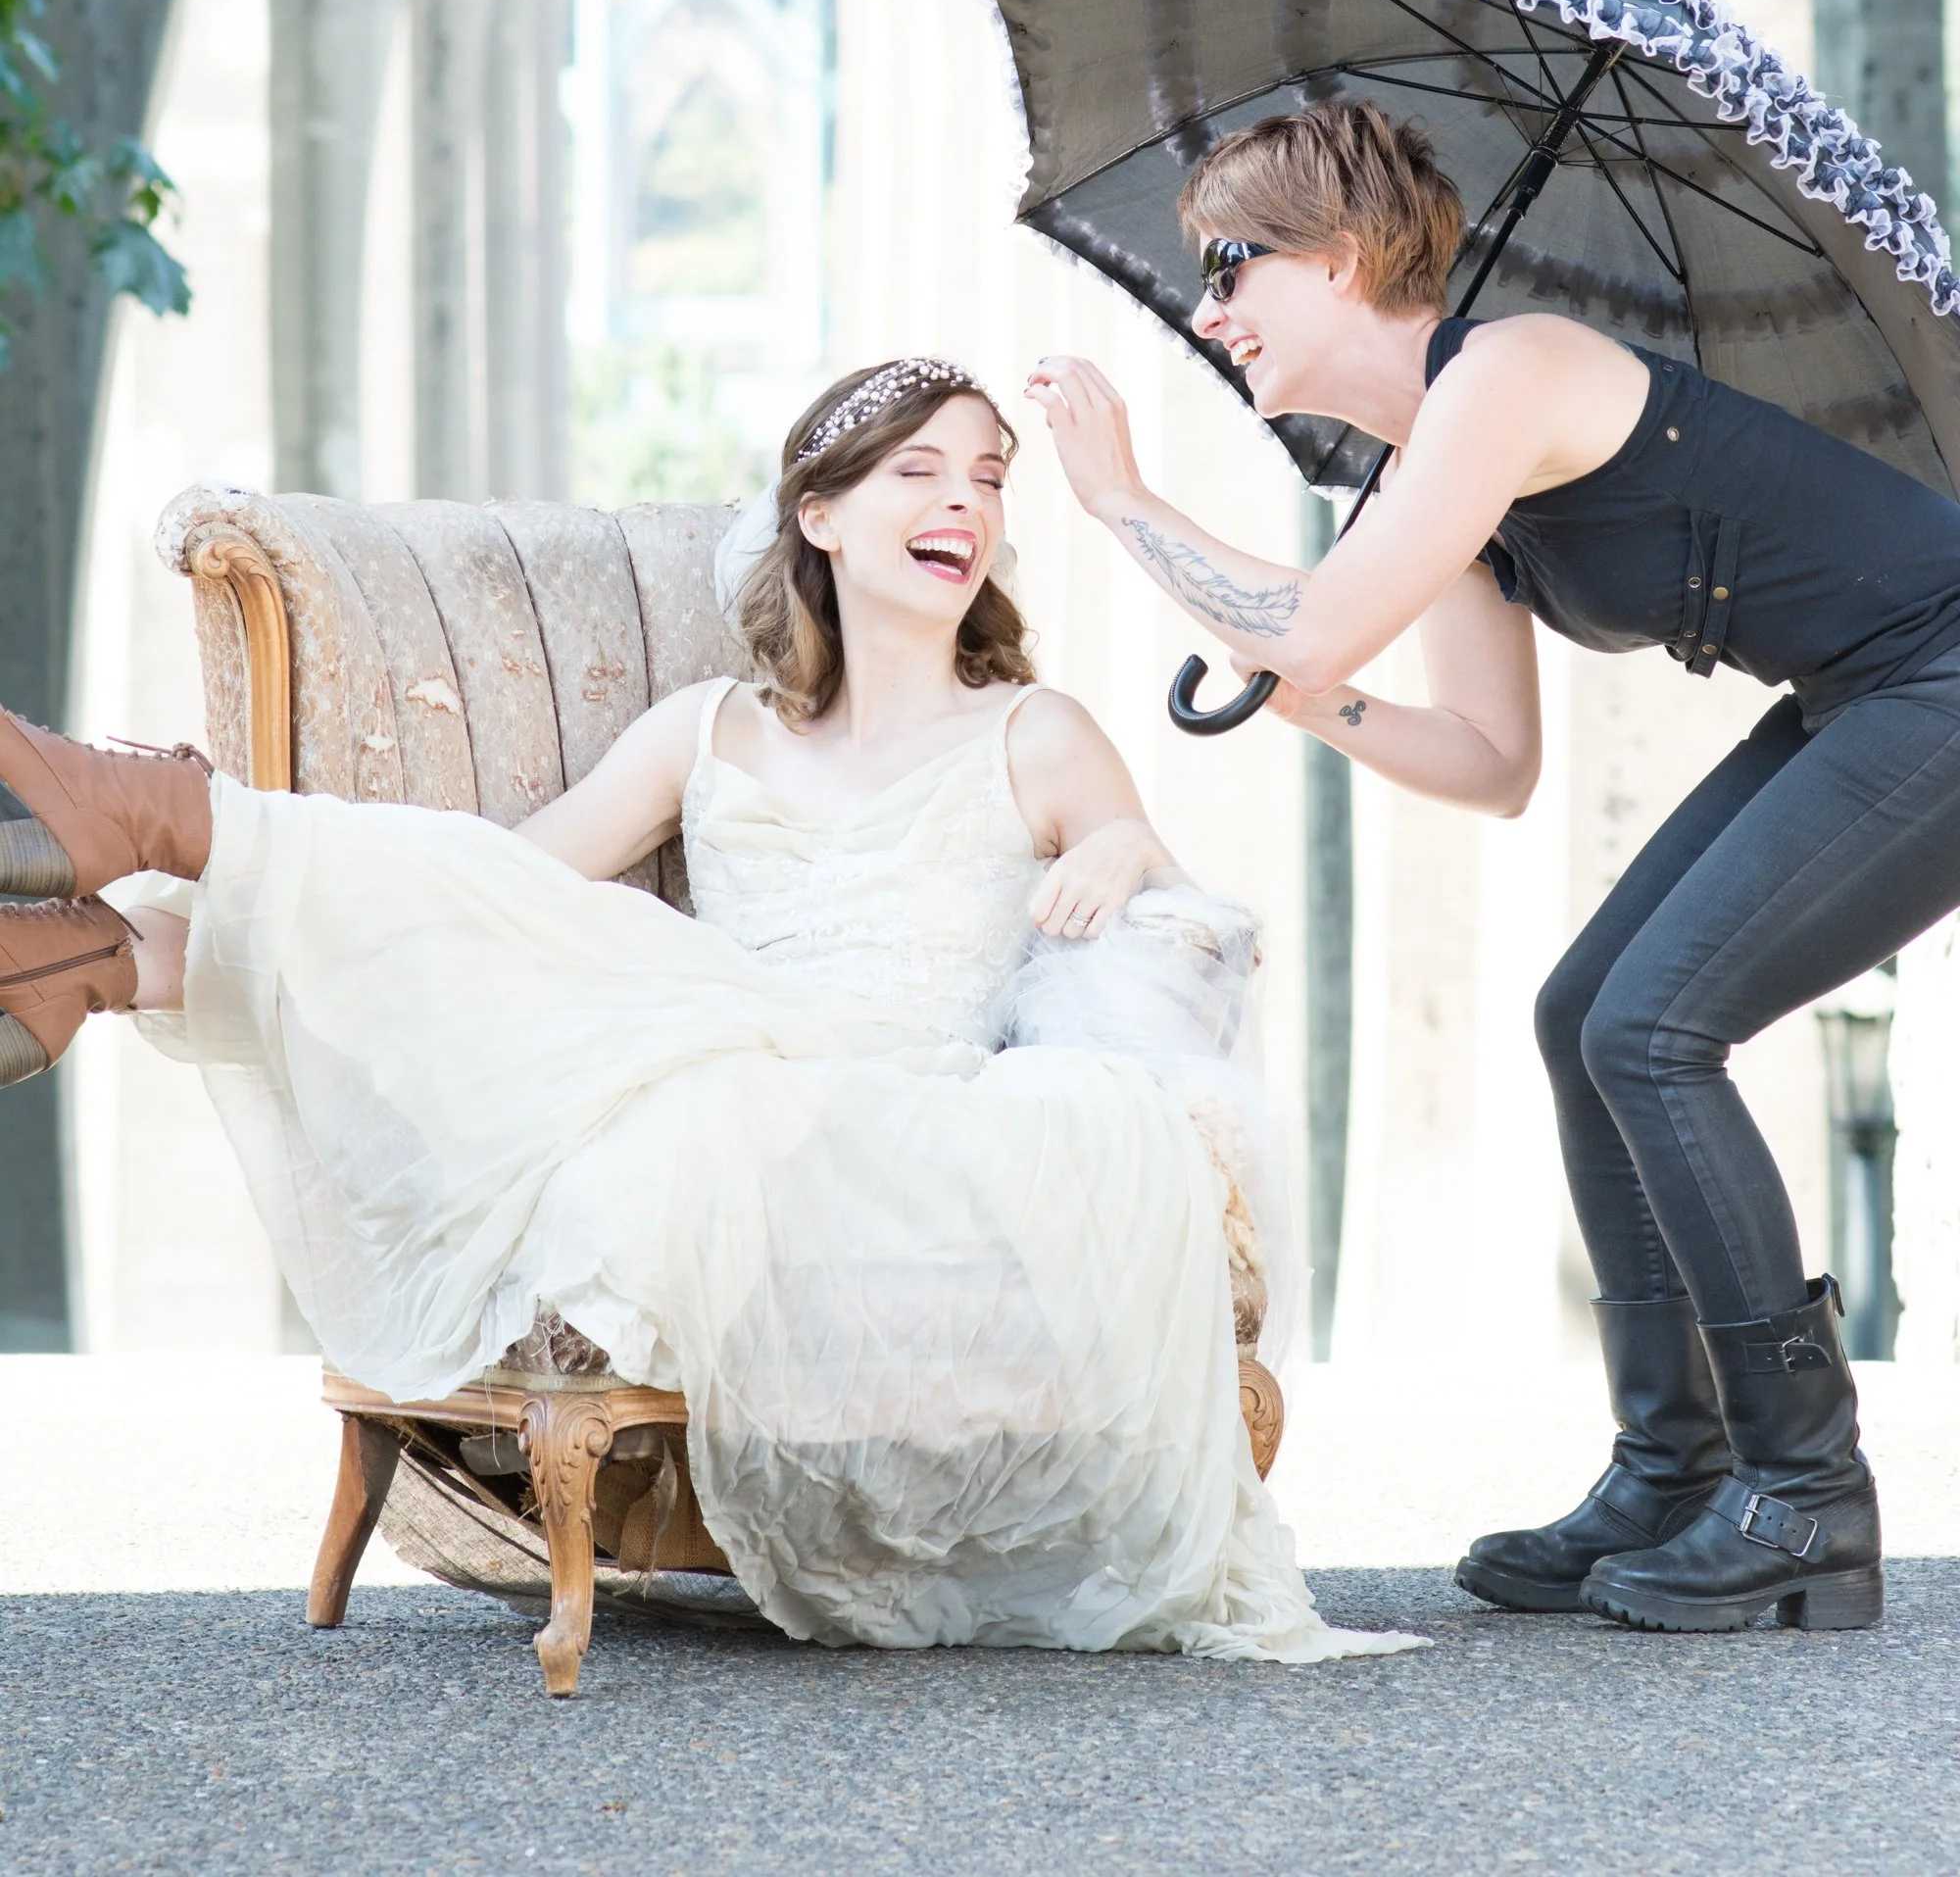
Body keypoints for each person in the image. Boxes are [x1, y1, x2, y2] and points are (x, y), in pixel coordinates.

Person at [0, 357, 1414, 1665]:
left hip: (903, 1110)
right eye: (920, 470)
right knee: (489, 924)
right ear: (823, 514)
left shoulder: (1034, 731)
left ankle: (146, 854)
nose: (965, 503)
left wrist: (1125, 850)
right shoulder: (709, 727)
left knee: (662, 1071)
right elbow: (507, 888)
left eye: (989, 477)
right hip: (717, 1038)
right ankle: (107, 956)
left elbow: (1184, 928)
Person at [1031, 96, 1960, 1639]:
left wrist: (1127, 503)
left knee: (1652, 1030)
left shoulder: (1513, 374)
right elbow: (1488, 763)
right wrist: (1315, 690)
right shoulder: (1422, 478)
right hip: (1868, 696)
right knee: (1582, 1010)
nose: (1209, 313)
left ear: (1336, 263)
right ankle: (1674, 1466)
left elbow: (1314, 619)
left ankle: (1806, 1493)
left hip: (1941, 680)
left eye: (1229, 268)